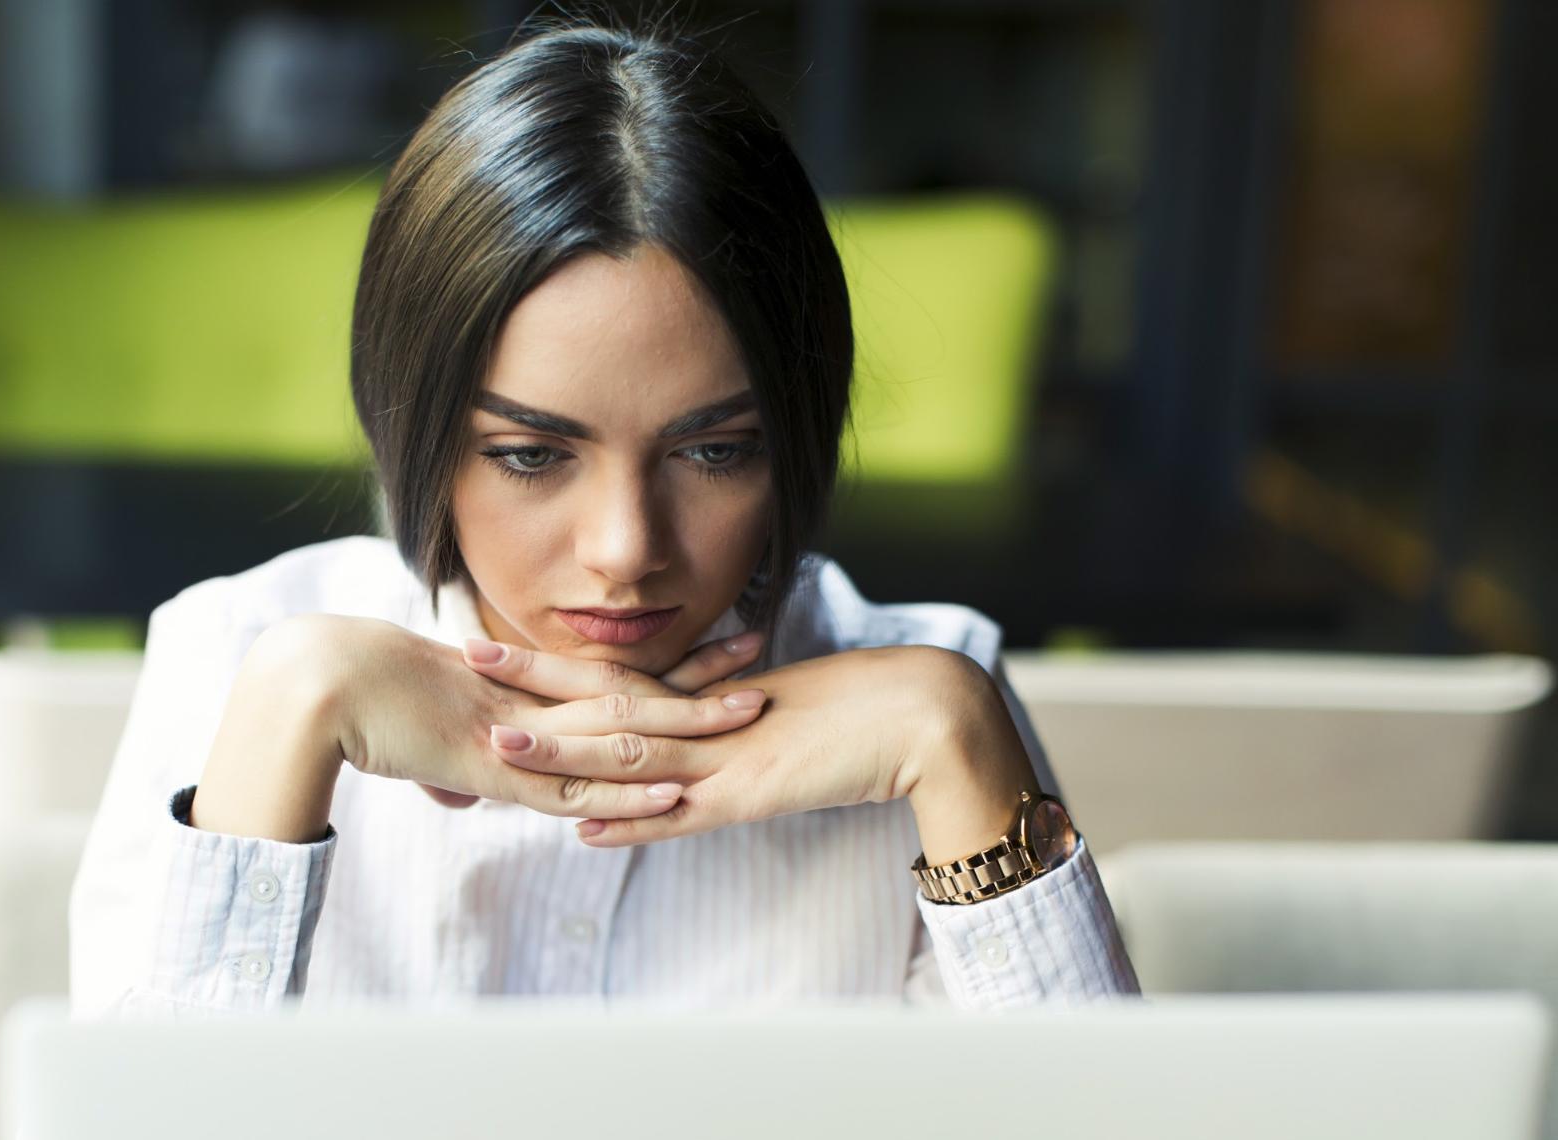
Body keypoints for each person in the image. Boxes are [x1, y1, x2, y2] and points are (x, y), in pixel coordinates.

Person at [68, 18, 1139, 1018]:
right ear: (413, 424)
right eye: (530, 454)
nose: (626, 549)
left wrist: (955, 743)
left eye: (715, 450)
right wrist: (284, 738)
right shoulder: (237, 663)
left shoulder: (935, 697)